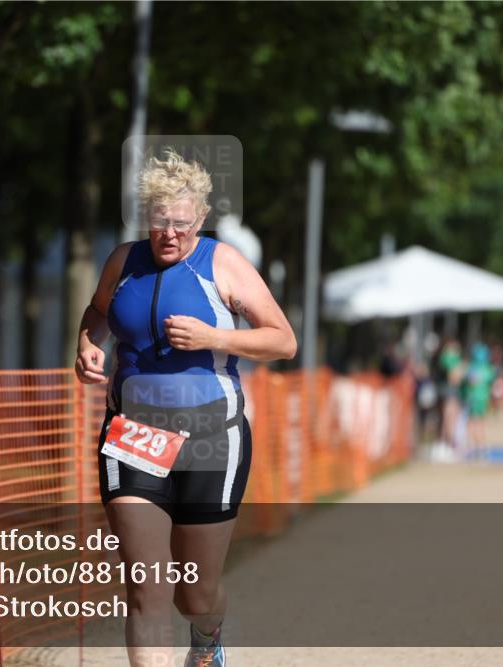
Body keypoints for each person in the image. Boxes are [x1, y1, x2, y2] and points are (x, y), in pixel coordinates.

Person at [74, 149, 296, 667]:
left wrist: (214, 335)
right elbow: (97, 311)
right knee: (146, 588)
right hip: (132, 436)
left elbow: (283, 341)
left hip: (211, 439)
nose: (169, 235)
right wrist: (88, 342)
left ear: (200, 219)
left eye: (181, 224)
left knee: (193, 593)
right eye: (159, 223)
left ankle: (207, 636)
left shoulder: (222, 263)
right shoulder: (123, 261)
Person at [461, 343, 495, 457]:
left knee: (471, 423)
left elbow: (468, 381)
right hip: (483, 399)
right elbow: (491, 382)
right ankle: (482, 447)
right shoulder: (488, 369)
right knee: (481, 423)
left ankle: (473, 446)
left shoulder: (472, 368)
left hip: (473, 398)